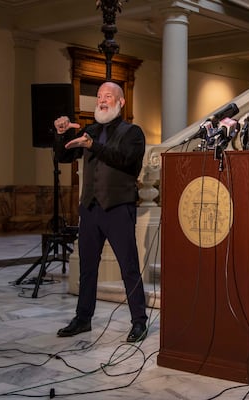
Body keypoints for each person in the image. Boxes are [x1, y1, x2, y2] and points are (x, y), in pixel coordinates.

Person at [53, 81, 148, 342]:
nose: (102, 100)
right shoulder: (90, 130)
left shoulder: (133, 133)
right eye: (99, 96)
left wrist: (92, 145)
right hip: (91, 209)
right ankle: (83, 318)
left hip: (118, 208)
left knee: (128, 267)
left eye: (108, 96)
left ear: (121, 102)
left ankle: (139, 320)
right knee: (87, 267)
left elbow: (125, 160)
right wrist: (61, 134)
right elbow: (64, 157)